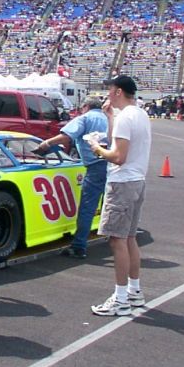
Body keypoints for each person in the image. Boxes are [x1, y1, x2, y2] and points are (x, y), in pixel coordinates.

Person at [87, 75, 152, 317]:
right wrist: (110, 117)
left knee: (117, 240)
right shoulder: (139, 114)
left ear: (118, 92)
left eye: (110, 90)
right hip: (136, 180)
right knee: (129, 237)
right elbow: (120, 144)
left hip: (122, 182)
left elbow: (117, 156)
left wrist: (96, 148)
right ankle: (133, 291)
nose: (108, 94)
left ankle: (121, 297)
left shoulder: (127, 117)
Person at [36, 95, 110, 259]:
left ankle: (79, 246)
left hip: (95, 165)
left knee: (87, 207)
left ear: (85, 106)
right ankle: (116, 239)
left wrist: (47, 143)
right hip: (114, 164)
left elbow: (67, 136)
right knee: (112, 204)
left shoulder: (85, 118)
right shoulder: (109, 117)